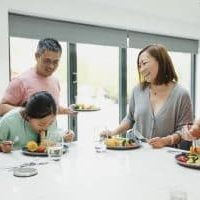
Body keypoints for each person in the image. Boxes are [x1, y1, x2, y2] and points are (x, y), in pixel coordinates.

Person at [101, 44, 193, 149]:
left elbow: (185, 130)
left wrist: (165, 140)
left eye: (144, 63)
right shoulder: (138, 90)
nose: (141, 70)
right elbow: (130, 119)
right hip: (137, 152)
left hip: (166, 156)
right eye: (139, 66)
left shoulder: (181, 94)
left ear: (161, 61)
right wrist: (113, 132)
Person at [0, 38, 76, 116]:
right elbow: (1, 108)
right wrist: (28, 111)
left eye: (55, 62)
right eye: (47, 61)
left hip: (52, 129)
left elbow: (49, 110)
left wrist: (66, 110)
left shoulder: (55, 81)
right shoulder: (20, 81)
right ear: (37, 56)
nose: (51, 66)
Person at [0, 91, 74, 153]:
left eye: (51, 123)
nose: (46, 128)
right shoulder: (9, 121)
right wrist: (2, 147)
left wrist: (65, 137)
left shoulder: (48, 119)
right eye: (41, 124)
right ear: (28, 116)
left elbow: (54, 137)